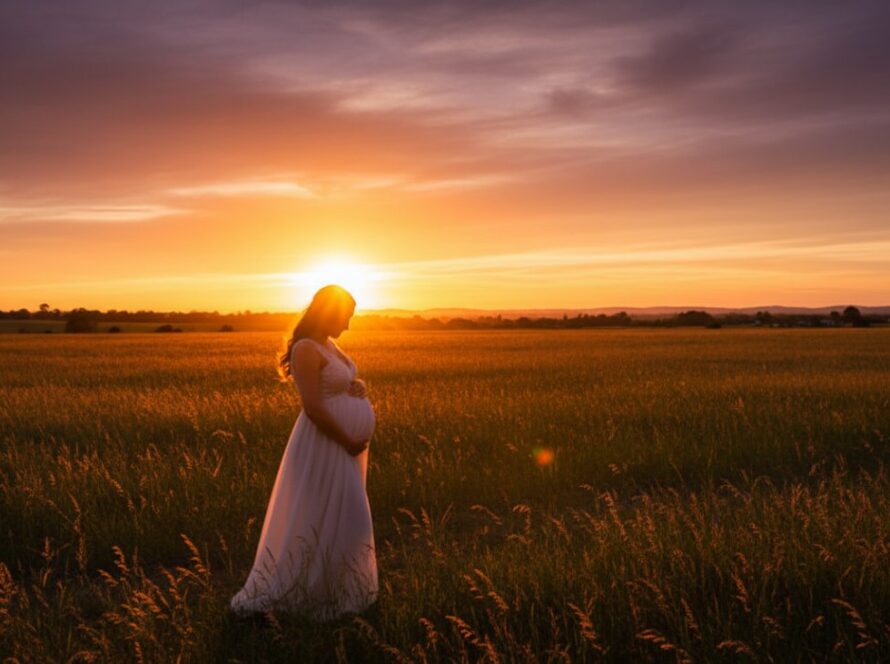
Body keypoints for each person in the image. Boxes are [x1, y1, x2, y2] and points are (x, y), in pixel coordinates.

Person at [230, 284, 377, 620]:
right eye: (345, 317)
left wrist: (356, 386)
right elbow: (313, 407)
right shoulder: (306, 349)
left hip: (343, 447)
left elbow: (335, 386)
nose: (348, 325)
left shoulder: (329, 345)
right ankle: (308, 594)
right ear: (328, 313)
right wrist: (347, 440)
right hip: (325, 445)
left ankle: (336, 589)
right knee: (335, 517)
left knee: (343, 517)